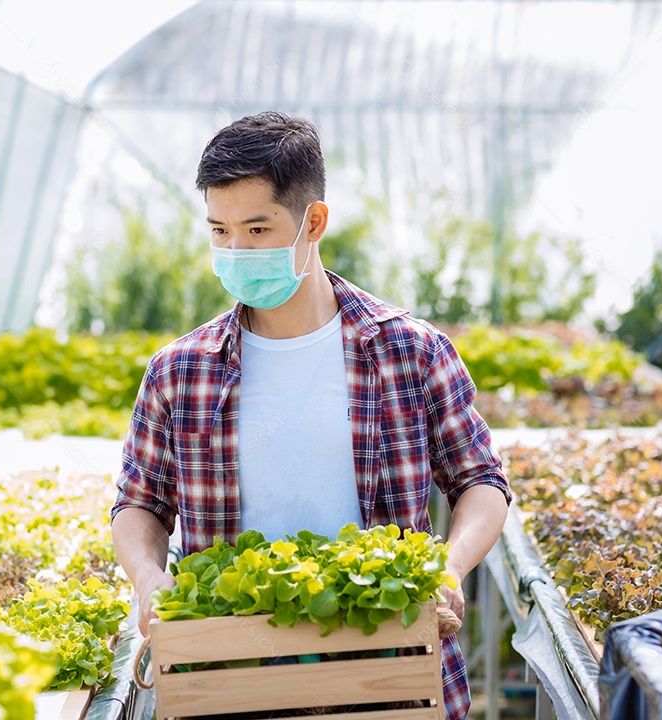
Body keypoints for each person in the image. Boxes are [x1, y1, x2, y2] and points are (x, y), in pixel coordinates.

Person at [111, 111, 512, 719]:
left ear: (314, 221)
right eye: (219, 231)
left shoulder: (410, 351)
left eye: (257, 229)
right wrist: (148, 578)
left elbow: (480, 480)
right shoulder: (179, 371)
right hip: (231, 678)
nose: (235, 251)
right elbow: (140, 502)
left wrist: (449, 568)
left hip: (389, 669)